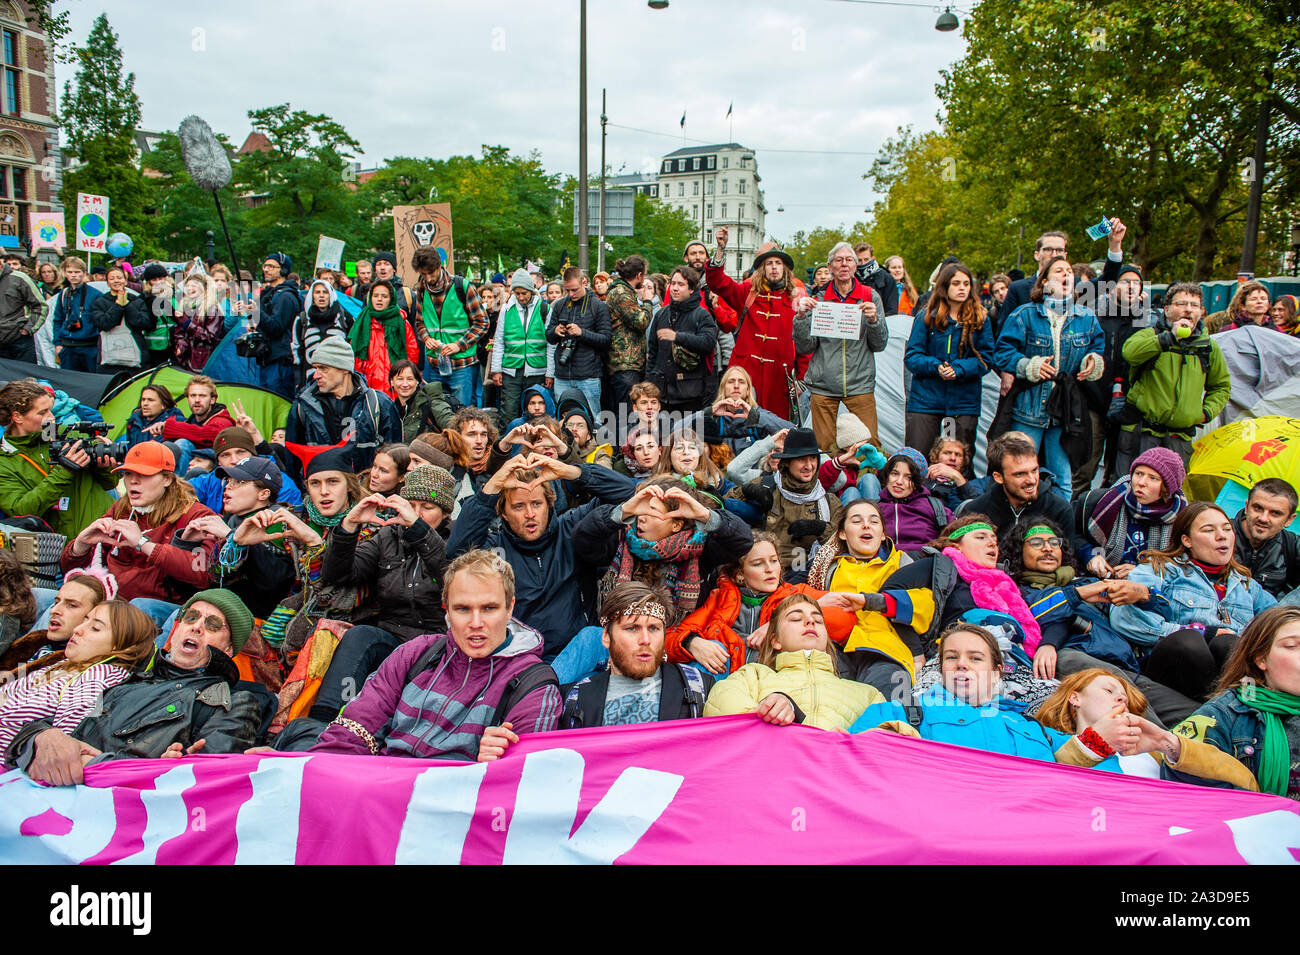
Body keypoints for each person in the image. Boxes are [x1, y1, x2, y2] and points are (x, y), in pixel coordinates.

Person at [299, 549, 560, 761]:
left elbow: (522, 780)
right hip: (380, 792)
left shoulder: (533, 685)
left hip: (454, 811)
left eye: (489, 608)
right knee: (297, 735)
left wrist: (482, 767)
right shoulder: (417, 652)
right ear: (446, 610)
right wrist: (318, 772)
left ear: (509, 607)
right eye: (463, 609)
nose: (476, 622)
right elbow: (354, 728)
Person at [8, 588, 265, 782]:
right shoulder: (123, 676)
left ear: (229, 649)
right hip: (53, 794)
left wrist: (101, 763)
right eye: (191, 618)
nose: (197, 627)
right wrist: (42, 737)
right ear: (175, 629)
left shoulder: (235, 702)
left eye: (212, 625)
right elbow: (63, 726)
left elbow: (205, 782)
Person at [850, 623, 1141, 767]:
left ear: (997, 671)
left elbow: (1105, 780)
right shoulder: (899, 712)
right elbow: (846, 754)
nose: (961, 663)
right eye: (951, 657)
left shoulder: (1035, 729)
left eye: (975, 658)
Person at [447, 453, 636, 659]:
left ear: (549, 504)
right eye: (519, 506)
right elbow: (456, 554)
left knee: (592, 637)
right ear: (503, 513)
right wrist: (492, 487)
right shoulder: (495, 548)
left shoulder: (571, 527)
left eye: (536, 504)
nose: (530, 514)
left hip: (579, 656)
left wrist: (571, 471)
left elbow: (628, 494)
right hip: (521, 660)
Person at [1111, 502, 1277, 707]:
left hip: (1225, 677)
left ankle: (1244, 708)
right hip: (1168, 672)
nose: (1222, 535)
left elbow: (1279, 625)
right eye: (1209, 530)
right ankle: (1225, 708)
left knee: (1230, 644)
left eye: (1227, 529)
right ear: (1186, 540)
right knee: (1188, 640)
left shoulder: (1247, 585)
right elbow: (1124, 618)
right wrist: (1203, 632)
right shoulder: (1160, 569)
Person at [62, 442, 219, 624]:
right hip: (113, 601)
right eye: (128, 474)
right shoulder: (122, 508)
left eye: (143, 474)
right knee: (52, 601)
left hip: (161, 608)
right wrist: (80, 545)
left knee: (137, 607)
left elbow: (204, 575)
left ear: (167, 479)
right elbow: (71, 571)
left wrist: (143, 543)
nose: (133, 481)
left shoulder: (195, 515)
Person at [668, 532, 854, 677]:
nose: (770, 569)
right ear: (740, 573)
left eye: (774, 561)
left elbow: (846, 620)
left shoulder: (796, 594)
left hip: (777, 689)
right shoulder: (719, 597)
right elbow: (668, 637)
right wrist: (691, 642)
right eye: (758, 564)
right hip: (726, 683)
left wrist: (777, 623)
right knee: (711, 653)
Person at [993, 255, 1105, 495]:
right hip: (1028, 408)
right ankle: (1015, 525)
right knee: (1018, 473)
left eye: (1069, 271)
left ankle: (1059, 529)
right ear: (1044, 283)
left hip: (1064, 409)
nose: (1066, 274)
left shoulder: (1086, 317)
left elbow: (1097, 347)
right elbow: (1001, 353)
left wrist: (1092, 361)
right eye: (1058, 271)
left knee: (1062, 477)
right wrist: (1027, 365)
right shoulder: (1024, 315)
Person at [804, 499, 938, 695]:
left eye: (874, 521)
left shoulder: (903, 562)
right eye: (857, 521)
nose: (866, 525)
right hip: (834, 650)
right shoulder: (827, 568)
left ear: (883, 534)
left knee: (882, 707)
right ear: (842, 533)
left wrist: (875, 602)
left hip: (886, 653)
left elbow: (925, 605)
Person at [1165, 606, 1300, 795]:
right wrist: (1179, 752)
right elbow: (1182, 788)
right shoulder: (1225, 713)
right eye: (1292, 646)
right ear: (1260, 658)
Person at [0, 599, 156, 759]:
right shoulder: (67, 664)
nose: (77, 629)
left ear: (120, 646)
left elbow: (69, 741)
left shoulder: (101, 675)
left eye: (95, 628)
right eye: (84, 621)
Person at [703, 593, 885, 730]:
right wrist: (765, 712)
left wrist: (852, 742)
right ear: (776, 641)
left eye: (818, 620)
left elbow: (895, 740)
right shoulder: (752, 675)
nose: (810, 621)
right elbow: (718, 706)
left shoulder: (868, 694)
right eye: (796, 618)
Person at [558, 582, 716, 728]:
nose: (645, 640)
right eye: (632, 628)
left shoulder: (698, 686)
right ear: (606, 636)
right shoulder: (575, 699)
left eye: (654, 628)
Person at [1116, 281, 1229, 472]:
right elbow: (1129, 353)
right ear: (1167, 310)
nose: (1188, 310)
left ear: (1201, 312)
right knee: (1132, 490)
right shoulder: (1150, 335)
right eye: (1181, 304)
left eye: (1194, 305)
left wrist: (1205, 412)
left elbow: (1221, 386)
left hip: (1180, 437)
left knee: (1171, 492)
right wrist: (1168, 338)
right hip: (1143, 432)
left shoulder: (1208, 347)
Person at [794, 242, 889, 453]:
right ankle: (830, 485)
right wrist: (800, 317)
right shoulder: (818, 300)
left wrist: (874, 321)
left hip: (860, 384)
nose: (844, 264)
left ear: (855, 266)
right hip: (823, 386)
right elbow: (804, 347)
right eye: (839, 260)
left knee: (869, 447)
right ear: (830, 267)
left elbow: (880, 344)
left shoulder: (870, 296)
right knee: (825, 448)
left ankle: (867, 483)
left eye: (849, 260)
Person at [0, 380, 117, 540]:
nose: (51, 417)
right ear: (18, 417)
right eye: (42, 413)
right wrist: (64, 471)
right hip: (60, 547)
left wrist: (104, 467)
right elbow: (20, 510)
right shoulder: (5, 460)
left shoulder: (60, 433)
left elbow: (110, 483)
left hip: (106, 529)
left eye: (50, 409)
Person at [704, 227, 799, 420]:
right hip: (746, 372)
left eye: (778, 263)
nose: (773, 267)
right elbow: (718, 282)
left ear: (785, 269)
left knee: (776, 426)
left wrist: (801, 378)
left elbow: (804, 344)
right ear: (762, 268)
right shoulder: (748, 291)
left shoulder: (795, 298)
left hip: (779, 377)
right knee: (738, 422)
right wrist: (720, 250)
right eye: (769, 263)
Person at [904, 262, 994, 456]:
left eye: (966, 283)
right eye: (956, 283)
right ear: (945, 286)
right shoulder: (927, 316)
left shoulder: (980, 319)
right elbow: (912, 357)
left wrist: (959, 369)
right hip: (926, 402)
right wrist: (936, 366)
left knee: (954, 459)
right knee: (918, 457)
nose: (962, 288)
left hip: (961, 405)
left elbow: (986, 359)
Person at [193, 455, 298, 620]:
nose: (228, 487)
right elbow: (204, 580)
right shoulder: (229, 520)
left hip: (259, 622)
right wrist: (185, 543)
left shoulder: (278, 522)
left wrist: (232, 537)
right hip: (221, 612)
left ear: (263, 494)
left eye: (238, 482)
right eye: (228, 481)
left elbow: (274, 582)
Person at [729, 427, 839, 571]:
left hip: (805, 577)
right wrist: (745, 491)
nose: (809, 466)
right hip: (762, 572)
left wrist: (821, 529)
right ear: (787, 462)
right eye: (801, 459)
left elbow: (845, 540)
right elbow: (721, 507)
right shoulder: (765, 485)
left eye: (813, 458)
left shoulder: (828, 501)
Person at [958, 431, 1087, 555]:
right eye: (1020, 474)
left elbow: (1067, 561)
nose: (1031, 480)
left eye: (1034, 470)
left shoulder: (1059, 509)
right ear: (998, 477)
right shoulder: (976, 511)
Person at [285, 337, 402, 471]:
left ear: (344, 369)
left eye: (323, 368)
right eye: (315, 368)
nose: (316, 375)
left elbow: (395, 458)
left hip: (365, 489)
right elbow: (292, 461)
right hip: (321, 490)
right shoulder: (303, 406)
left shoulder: (378, 404)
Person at [1078, 447, 1188, 579]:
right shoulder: (1101, 501)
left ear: (1167, 488)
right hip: (1098, 584)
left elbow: (1185, 566)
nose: (1141, 483)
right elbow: (1070, 533)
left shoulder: (1184, 520)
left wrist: (1142, 572)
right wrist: (1090, 555)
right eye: (1139, 474)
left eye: (1153, 478)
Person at [411, 246, 490, 409]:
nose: (428, 277)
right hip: (434, 364)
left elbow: (482, 322)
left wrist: (458, 345)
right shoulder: (420, 288)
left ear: (440, 266)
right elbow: (419, 322)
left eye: (430, 272)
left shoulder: (462, 286)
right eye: (423, 273)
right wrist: (426, 338)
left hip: (462, 365)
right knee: (436, 412)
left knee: (461, 413)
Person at [0, 572, 106, 679]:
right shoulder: (34, 642)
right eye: (56, 602)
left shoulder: (84, 671)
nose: (54, 610)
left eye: (72, 605)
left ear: (93, 615)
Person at [646, 265, 718, 416]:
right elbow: (652, 353)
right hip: (662, 394)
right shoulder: (661, 314)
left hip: (690, 395)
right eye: (673, 283)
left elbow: (708, 343)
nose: (675, 288)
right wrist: (650, 384)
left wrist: (677, 337)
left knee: (688, 438)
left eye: (681, 284)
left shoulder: (702, 315)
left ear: (691, 289)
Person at [490, 269, 554, 426]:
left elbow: (551, 344)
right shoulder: (506, 309)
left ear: (531, 291)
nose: (520, 297)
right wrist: (496, 369)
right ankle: (509, 447)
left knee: (537, 414)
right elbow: (499, 341)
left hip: (537, 370)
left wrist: (550, 373)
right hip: (511, 370)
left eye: (524, 293)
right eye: (517, 293)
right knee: (509, 413)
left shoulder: (544, 309)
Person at [546, 266, 611, 414]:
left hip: (588, 375)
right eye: (567, 290)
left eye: (574, 289)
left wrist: (582, 333)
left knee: (593, 419)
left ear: (584, 282)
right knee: (563, 419)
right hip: (562, 373)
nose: (571, 294)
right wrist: (556, 331)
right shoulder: (560, 305)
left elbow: (606, 339)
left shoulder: (598, 306)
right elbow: (549, 337)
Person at [349, 280, 419, 399]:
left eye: (384, 296)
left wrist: (405, 377)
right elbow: (353, 354)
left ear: (391, 299)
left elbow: (412, 353)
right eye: (375, 296)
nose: (379, 299)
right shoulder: (361, 322)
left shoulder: (401, 322)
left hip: (395, 384)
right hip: (367, 383)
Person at [1232, 478, 1300, 600]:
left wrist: (1281, 610)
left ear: (1290, 519)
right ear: (1247, 507)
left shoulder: (1293, 546)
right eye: (1258, 508)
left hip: (1270, 616)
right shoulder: (1218, 536)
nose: (1263, 518)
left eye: (1275, 513)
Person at [875, 447, 952, 554]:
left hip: (922, 562)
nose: (899, 481)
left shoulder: (933, 507)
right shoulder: (875, 508)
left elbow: (957, 535)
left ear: (917, 481)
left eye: (908, 477)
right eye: (895, 473)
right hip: (883, 564)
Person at [706, 366, 794, 455]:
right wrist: (709, 412)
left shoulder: (759, 414)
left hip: (753, 468)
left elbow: (794, 432)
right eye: (731, 382)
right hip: (720, 467)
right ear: (723, 389)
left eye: (741, 382)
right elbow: (691, 433)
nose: (736, 386)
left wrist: (755, 416)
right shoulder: (714, 416)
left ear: (748, 390)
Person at [603, 256, 653, 413]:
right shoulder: (621, 293)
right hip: (624, 364)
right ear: (639, 275)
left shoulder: (624, 291)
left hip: (627, 364)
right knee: (626, 416)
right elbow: (641, 321)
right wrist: (647, 302)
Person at [254, 252, 302, 399]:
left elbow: (275, 327)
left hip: (280, 363)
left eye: (271, 266)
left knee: (278, 402)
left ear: (283, 270)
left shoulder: (286, 296)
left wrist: (256, 312)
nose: (266, 270)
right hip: (268, 360)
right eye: (265, 266)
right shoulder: (269, 294)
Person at [291, 277, 351, 386]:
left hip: (338, 380)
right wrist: (298, 381)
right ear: (312, 296)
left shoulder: (344, 318)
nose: (321, 295)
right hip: (311, 380)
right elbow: (297, 351)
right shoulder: (302, 320)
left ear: (331, 295)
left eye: (325, 292)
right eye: (317, 292)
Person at [816, 414, 888, 503]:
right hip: (847, 504)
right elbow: (821, 485)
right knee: (851, 491)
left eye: (864, 441)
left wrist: (880, 465)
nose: (861, 446)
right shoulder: (836, 461)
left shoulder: (876, 454)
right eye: (856, 444)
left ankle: (874, 515)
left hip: (872, 503)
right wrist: (840, 463)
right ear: (845, 447)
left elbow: (890, 478)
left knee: (868, 478)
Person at [50, 256, 104, 372]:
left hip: (89, 347)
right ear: (65, 273)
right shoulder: (63, 294)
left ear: (84, 273)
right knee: (68, 381)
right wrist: (58, 343)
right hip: (67, 346)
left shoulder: (95, 295)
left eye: (77, 272)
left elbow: (100, 322)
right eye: (70, 272)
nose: (73, 275)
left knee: (90, 380)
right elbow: (57, 320)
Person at [158, 375, 236, 453]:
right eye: (193, 396)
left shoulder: (222, 420)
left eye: (202, 396)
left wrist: (170, 427)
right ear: (187, 399)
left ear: (212, 400)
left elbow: (211, 436)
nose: (197, 400)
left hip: (214, 463)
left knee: (183, 443)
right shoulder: (190, 421)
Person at [90, 265, 144, 373]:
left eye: (119, 278)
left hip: (134, 354)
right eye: (112, 278)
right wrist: (118, 306)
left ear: (125, 280)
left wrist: (127, 305)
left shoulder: (136, 300)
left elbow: (142, 322)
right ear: (107, 282)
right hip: (109, 355)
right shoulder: (100, 302)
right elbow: (104, 324)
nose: (116, 281)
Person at [388, 360, 454, 443]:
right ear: (392, 382)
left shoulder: (432, 402)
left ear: (417, 382)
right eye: (400, 379)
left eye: (410, 379)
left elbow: (453, 427)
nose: (405, 384)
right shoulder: (390, 410)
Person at [0, 252, 49, 363]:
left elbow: (41, 306)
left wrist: (28, 329)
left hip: (19, 340)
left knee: (25, 378)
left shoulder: (19, 278)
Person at [172, 272, 225, 372]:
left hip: (203, 361)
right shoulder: (185, 306)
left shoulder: (211, 308)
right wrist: (180, 346)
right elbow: (180, 333)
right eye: (187, 286)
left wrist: (188, 324)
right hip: (186, 361)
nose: (189, 288)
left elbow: (210, 337)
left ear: (203, 288)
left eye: (193, 285)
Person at [923, 437, 981, 511]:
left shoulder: (970, 484)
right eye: (947, 453)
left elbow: (980, 506)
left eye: (958, 455)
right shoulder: (924, 478)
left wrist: (957, 477)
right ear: (936, 457)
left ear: (963, 461)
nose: (953, 458)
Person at [122, 384, 185, 450]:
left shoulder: (175, 422)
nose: (145, 403)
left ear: (163, 405)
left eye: (150, 400)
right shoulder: (133, 421)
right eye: (143, 399)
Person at [852, 242, 900, 316]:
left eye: (866, 259)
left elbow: (892, 310)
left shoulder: (887, 278)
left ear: (873, 258)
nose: (863, 263)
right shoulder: (851, 278)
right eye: (859, 260)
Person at [1209, 280, 1274, 334]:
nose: (1259, 302)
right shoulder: (1228, 329)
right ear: (1242, 305)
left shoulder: (1276, 330)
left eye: (1263, 298)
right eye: (1253, 299)